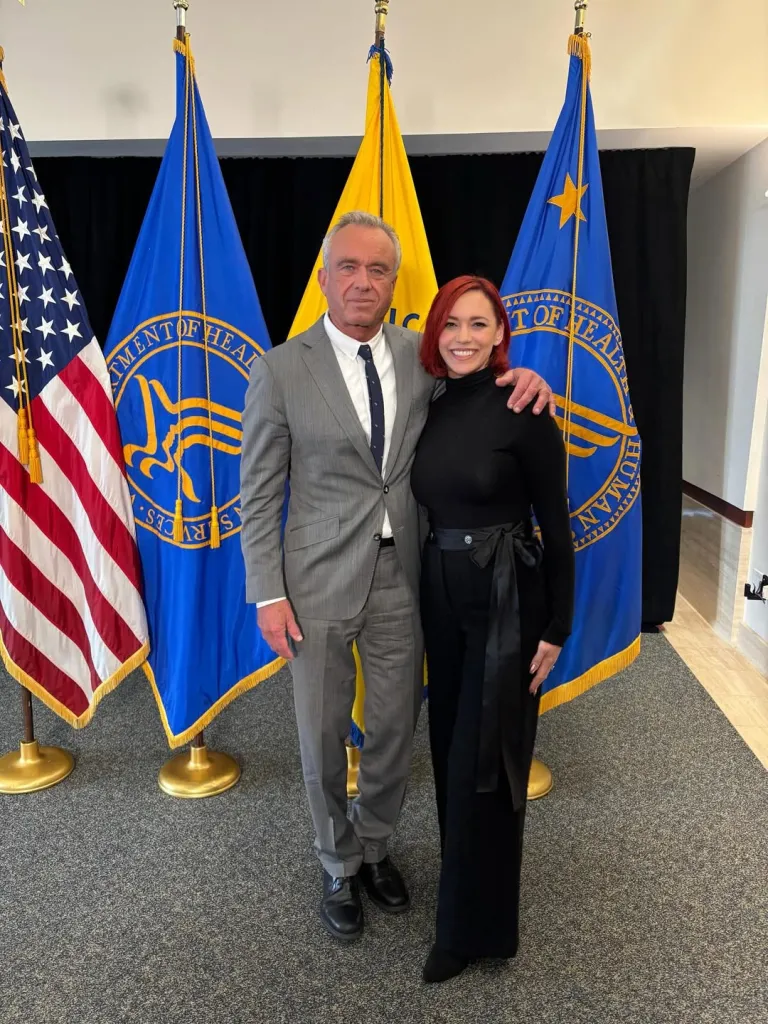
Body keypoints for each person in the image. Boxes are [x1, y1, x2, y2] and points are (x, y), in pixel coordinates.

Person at [240, 212, 554, 943]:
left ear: (393, 283)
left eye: (378, 270)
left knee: (391, 726)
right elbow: (258, 493)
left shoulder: (424, 357)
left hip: (407, 577)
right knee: (320, 734)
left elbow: (482, 386)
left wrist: (521, 372)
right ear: (324, 277)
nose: (362, 281)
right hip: (312, 582)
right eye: (348, 267)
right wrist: (267, 591)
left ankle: (375, 846)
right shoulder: (281, 368)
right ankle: (336, 863)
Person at [411, 275, 575, 983]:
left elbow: (559, 526)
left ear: (501, 334)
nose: (464, 338)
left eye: (479, 325)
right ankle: (463, 887)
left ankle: (472, 932)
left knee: (490, 765)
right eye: (452, 324)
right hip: (440, 597)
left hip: (509, 598)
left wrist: (558, 625)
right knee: (450, 749)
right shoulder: (435, 401)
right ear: (435, 332)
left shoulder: (526, 408)